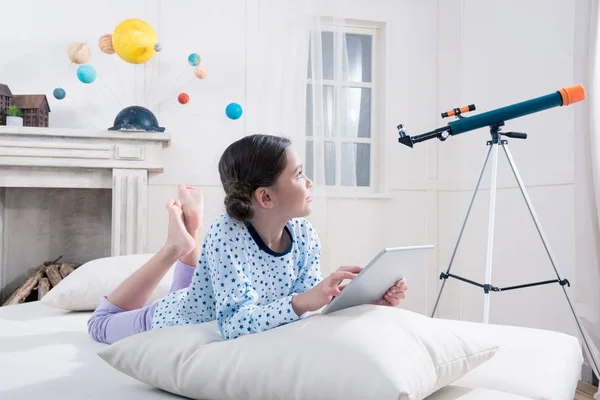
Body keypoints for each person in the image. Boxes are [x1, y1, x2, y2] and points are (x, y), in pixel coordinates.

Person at [88, 134, 408, 344]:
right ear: (266, 197)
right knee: (100, 325)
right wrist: (305, 299)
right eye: (298, 174)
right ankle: (176, 247)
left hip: (203, 296)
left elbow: (307, 304)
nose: (309, 182)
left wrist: (360, 299)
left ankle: (189, 238)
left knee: (192, 290)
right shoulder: (227, 235)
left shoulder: (304, 234)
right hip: (178, 315)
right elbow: (234, 323)